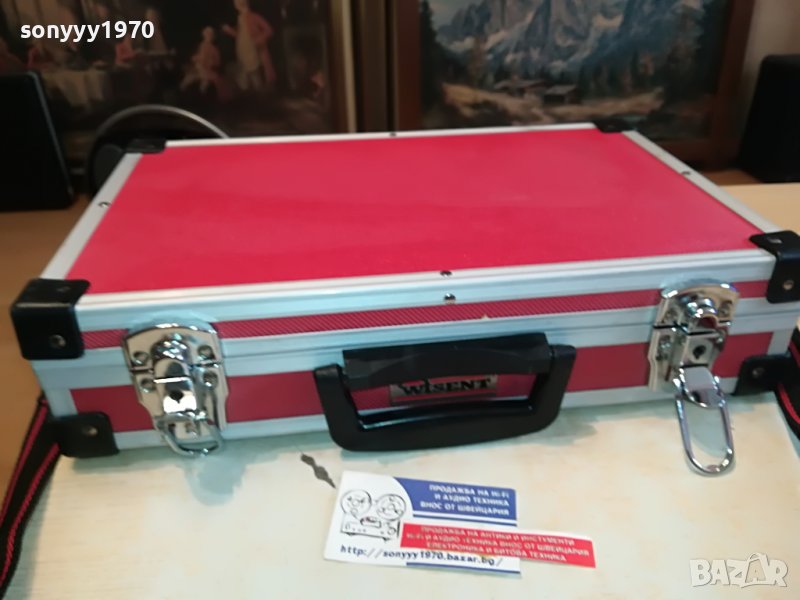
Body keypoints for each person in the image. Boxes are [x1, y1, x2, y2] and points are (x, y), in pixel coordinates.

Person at [222, 0, 276, 91]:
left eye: (237, 3)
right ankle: (254, 93)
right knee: (246, 75)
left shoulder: (253, 16)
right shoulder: (240, 18)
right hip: (243, 51)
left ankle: (261, 93)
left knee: (255, 73)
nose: (236, 5)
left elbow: (269, 30)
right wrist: (229, 30)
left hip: (252, 51)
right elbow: (240, 36)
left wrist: (258, 39)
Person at [180, 26, 225, 98]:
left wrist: (211, 62)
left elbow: (217, 62)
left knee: (205, 82)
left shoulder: (214, 49)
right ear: (204, 35)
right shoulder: (201, 45)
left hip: (207, 70)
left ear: (213, 36)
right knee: (188, 79)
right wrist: (196, 58)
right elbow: (196, 57)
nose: (209, 36)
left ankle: (202, 94)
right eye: (207, 34)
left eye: (210, 34)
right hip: (199, 68)